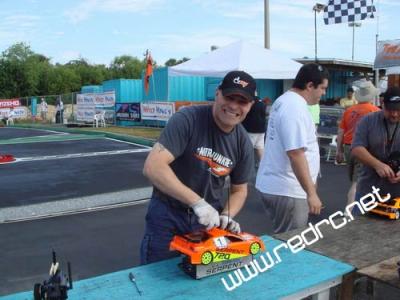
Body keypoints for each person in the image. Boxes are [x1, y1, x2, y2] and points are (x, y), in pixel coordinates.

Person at [140, 71, 256, 264]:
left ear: (251, 105)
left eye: (242, 101)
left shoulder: (243, 142)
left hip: (208, 222)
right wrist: (198, 203)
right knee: (156, 279)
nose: (234, 106)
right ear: (217, 94)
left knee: (202, 281)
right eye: (229, 97)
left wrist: (226, 215)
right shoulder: (188, 119)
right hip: (168, 215)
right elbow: (153, 166)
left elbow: (239, 190)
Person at [255, 63, 328, 234]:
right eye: (323, 88)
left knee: (285, 238)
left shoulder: (285, 100)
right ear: (310, 86)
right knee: (292, 243)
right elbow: (295, 153)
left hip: (283, 186)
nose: (324, 94)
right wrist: (311, 193)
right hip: (288, 189)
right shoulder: (294, 108)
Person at [352, 86, 400, 211]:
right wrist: (377, 165)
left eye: (398, 110)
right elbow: (357, 147)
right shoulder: (367, 120)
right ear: (382, 104)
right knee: (359, 229)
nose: (394, 114)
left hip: (397, 195)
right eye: (390, 109)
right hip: (368, 190)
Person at [336, 80, 380, 214]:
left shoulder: (349, 110)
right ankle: (349, 211)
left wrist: (339, 150)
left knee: (355, 180)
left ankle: (356, 208)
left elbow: (341, 132)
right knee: (358, 182)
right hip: (364, 149)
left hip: (349, 147)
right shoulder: (375, 111)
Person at [241, 96, 267, 162]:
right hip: (261, 130)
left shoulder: (250, 103)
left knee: (248, 149)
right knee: (260, 148)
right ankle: (262, 165)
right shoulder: (263, 104)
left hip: (252, 130)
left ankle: (247, 165)